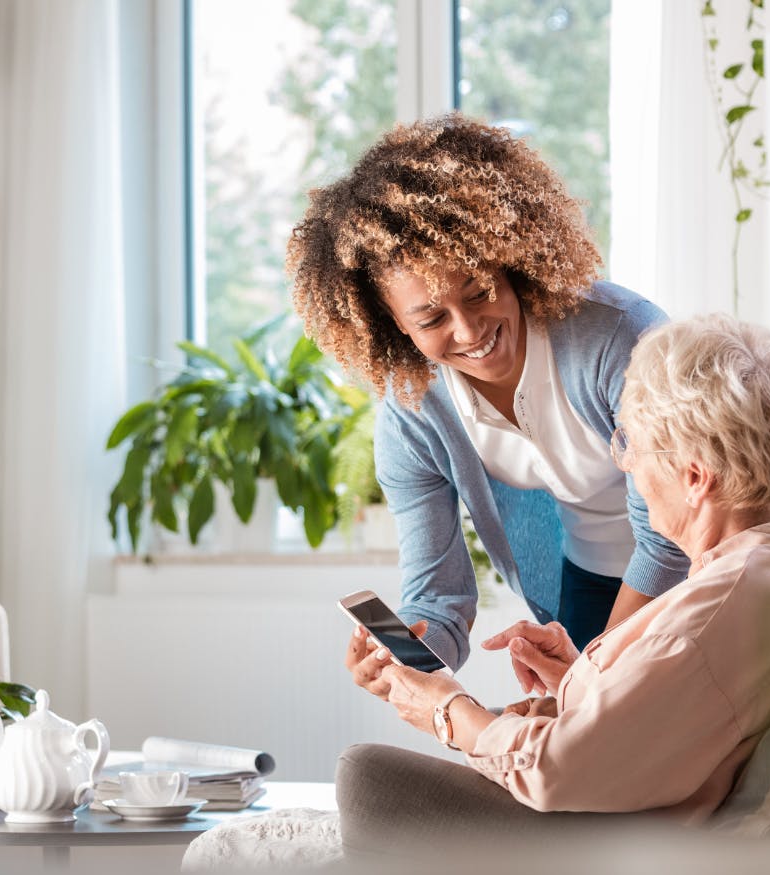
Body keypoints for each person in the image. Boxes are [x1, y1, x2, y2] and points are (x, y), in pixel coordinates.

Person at [345, 313, 770, 817]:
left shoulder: (701, 621)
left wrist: (444, 708)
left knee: (365, 774)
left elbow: (556, 769)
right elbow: (678, 713)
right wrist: (581, 679)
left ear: (695, 478)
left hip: (617, 838)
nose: (628, 466)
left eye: (630, 444)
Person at [288, 113, 687, 670]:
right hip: (592, 585)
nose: (470, 331)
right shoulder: (414, 413)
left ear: (508, 262)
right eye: (431, 320)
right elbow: (439, 597)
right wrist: (409, 661)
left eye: (479, 292)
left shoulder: (617, 336)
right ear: (391, 322)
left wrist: (594, 673)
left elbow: (674, 531)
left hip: (701, 567)